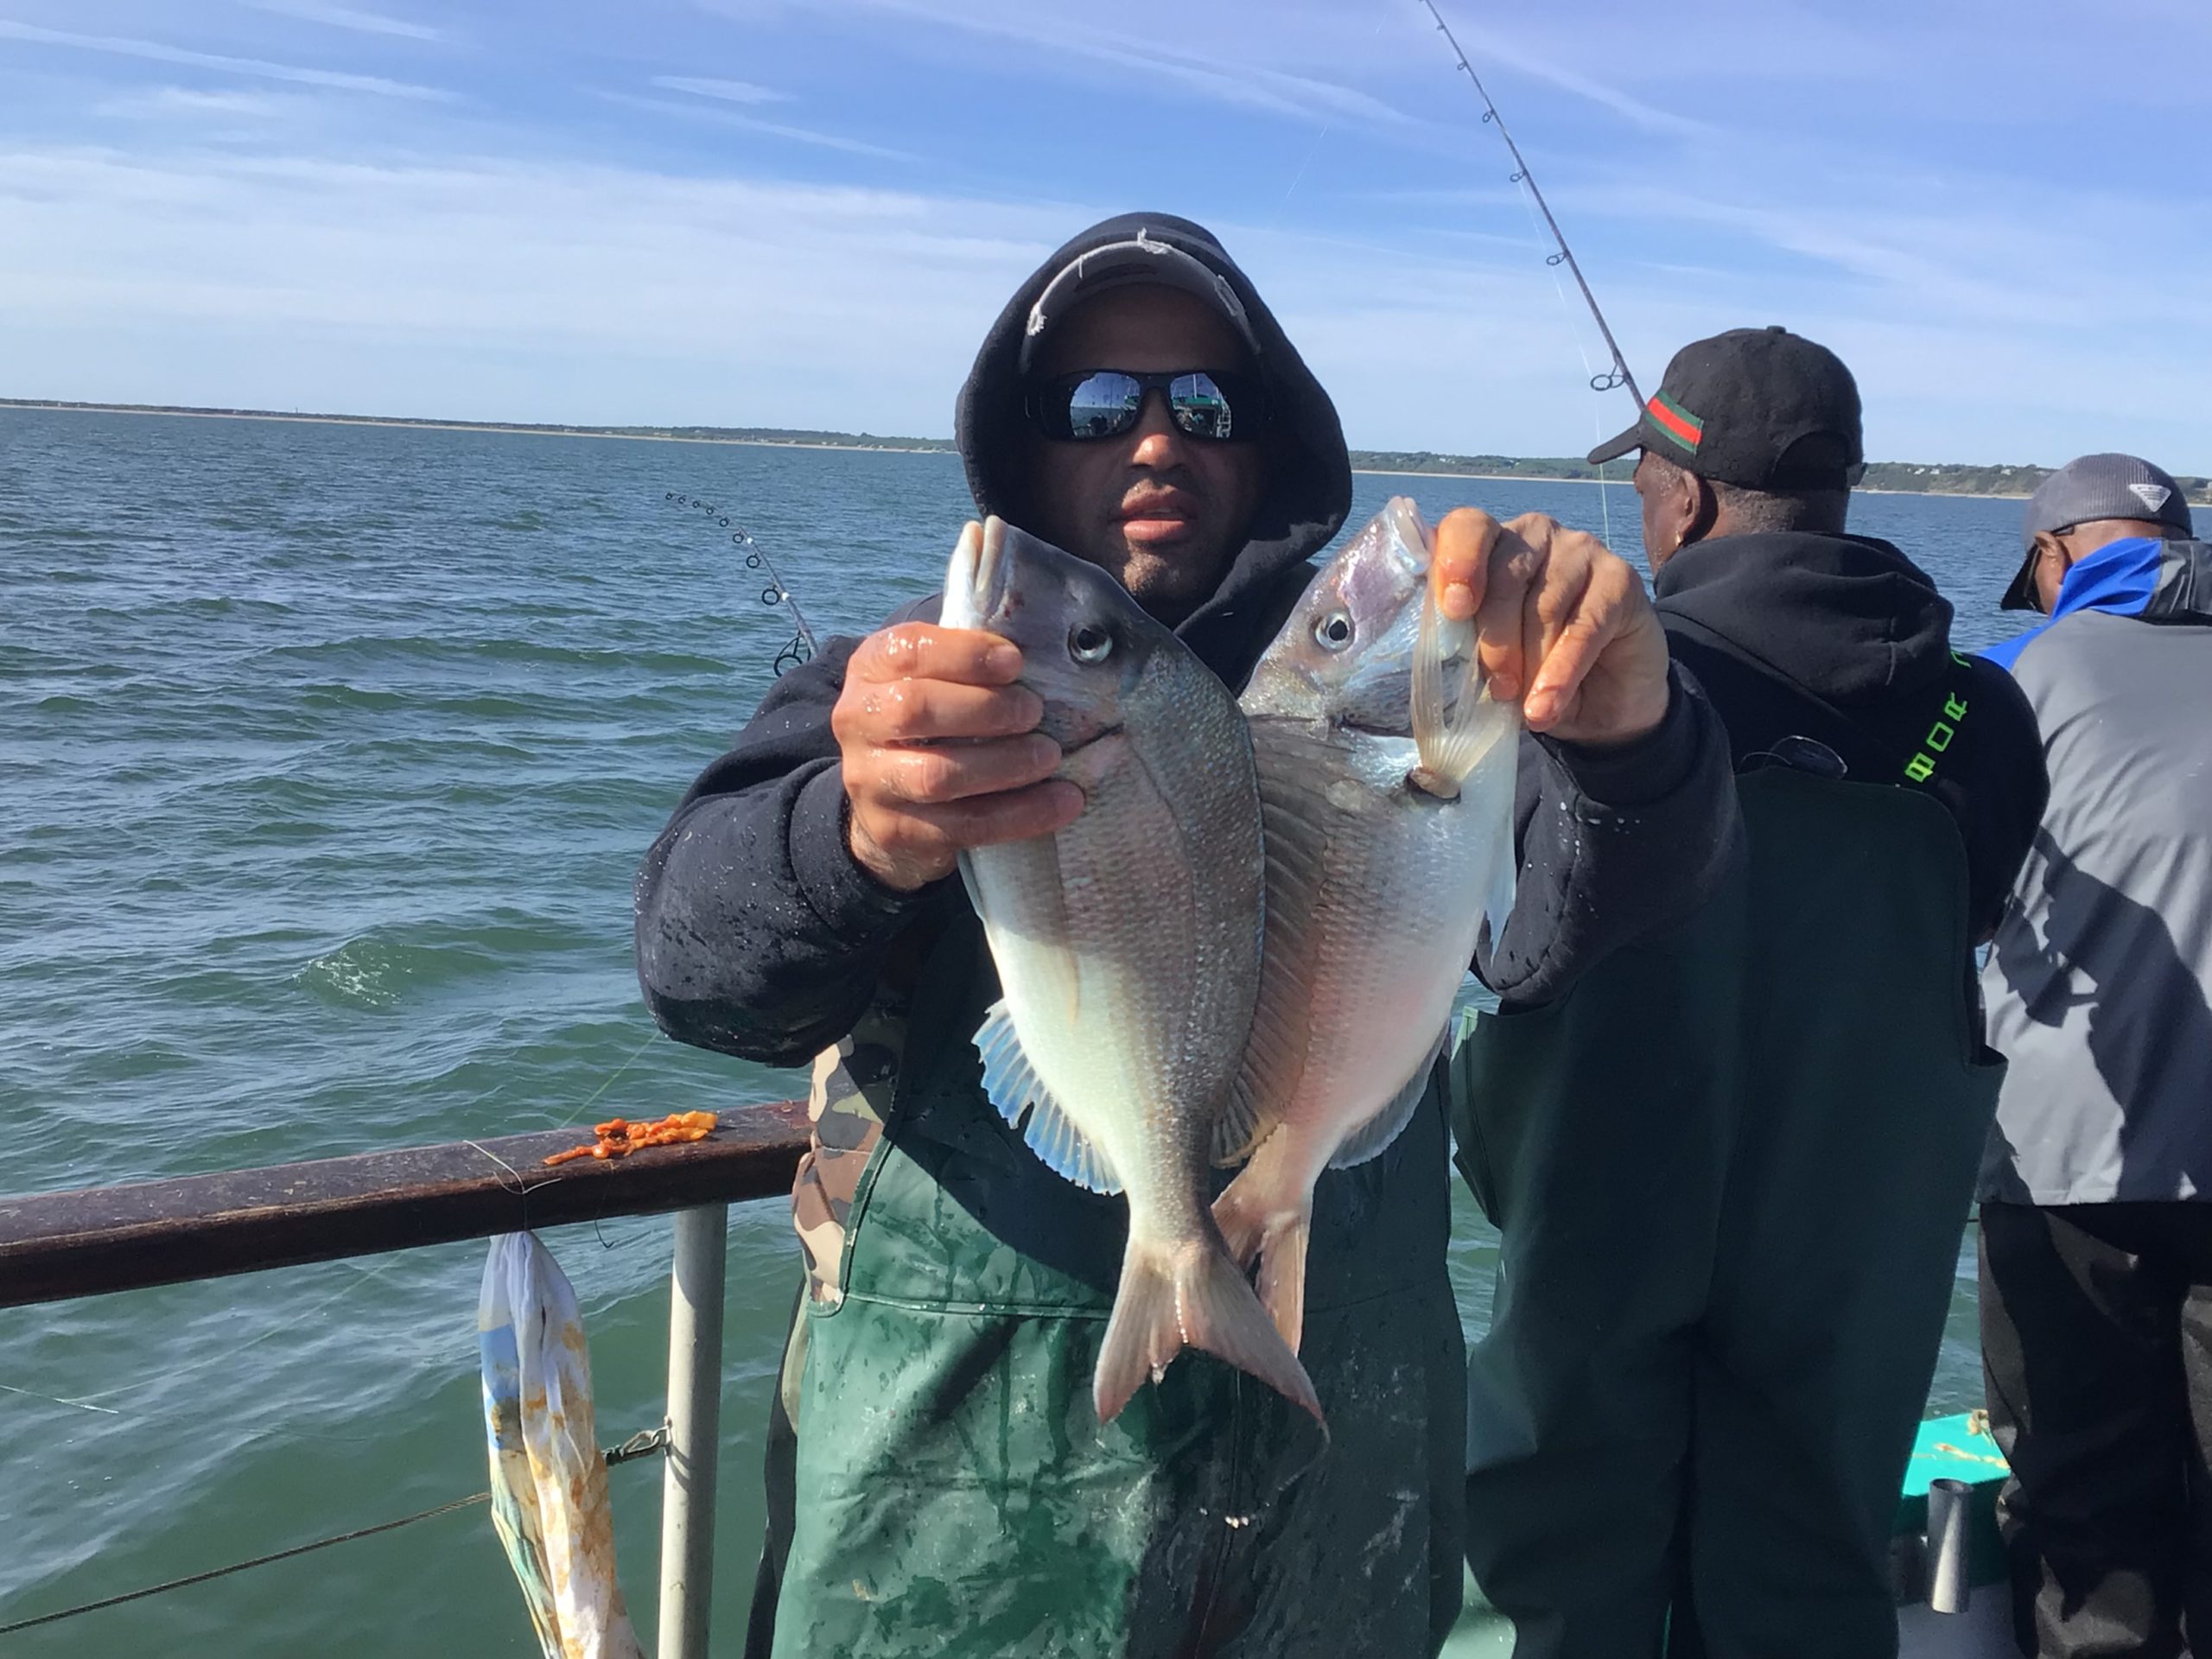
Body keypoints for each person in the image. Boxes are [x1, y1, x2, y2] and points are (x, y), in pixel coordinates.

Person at [633, 213, 1740, 1658]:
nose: (1154, 443)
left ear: (1267, 440)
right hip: (953, 1526)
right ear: (1025, 450)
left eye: (1203, 405)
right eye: (1096, 407)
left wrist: (1635, 743)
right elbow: (694, 963)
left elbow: (1585, 926)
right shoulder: (907, 685)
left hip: (1340, 1505)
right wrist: (857, 829)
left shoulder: (1413, 680)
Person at [1451, 326, 2049, 1658]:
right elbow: (1978, 917)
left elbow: (1505, 943)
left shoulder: (1582, 696)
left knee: (1550, 1553)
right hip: (1854, 1219)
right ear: (1841, 487)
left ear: (1690, 498)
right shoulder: (1983, 716)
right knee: (1812, 1567)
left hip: (1596, 1204)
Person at [1975, 454, 2212, 1659]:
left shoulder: (2015, 678)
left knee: (2087, 1524)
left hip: (2075, 1160)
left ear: (2062, 557)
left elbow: (1948, 886)